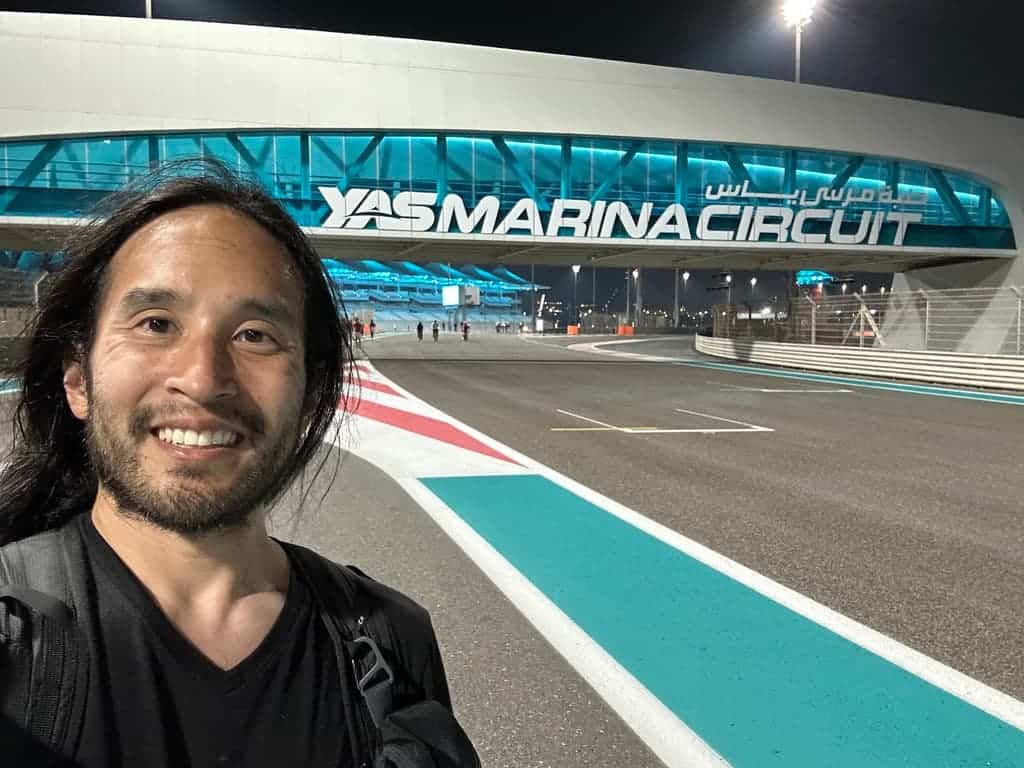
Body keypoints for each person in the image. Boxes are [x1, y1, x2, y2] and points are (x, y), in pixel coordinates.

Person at [0, 160, 477, 767]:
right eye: (156, 324)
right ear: (77, 380)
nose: (203, 379)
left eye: (254, 335)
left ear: (311, 394)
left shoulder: (395, 640)